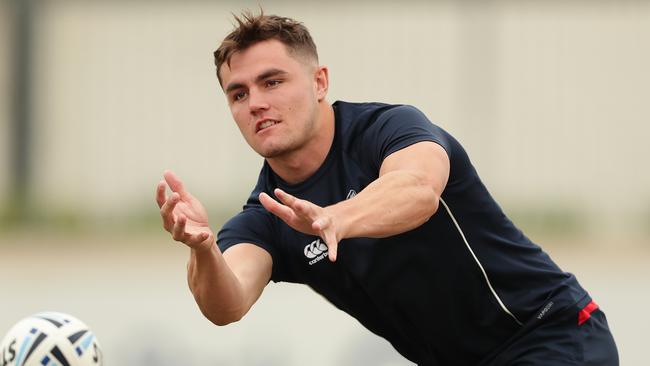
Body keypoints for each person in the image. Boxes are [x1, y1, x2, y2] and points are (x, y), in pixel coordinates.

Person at [156, 11, 618, 366]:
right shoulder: (268, 216)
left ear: (319, 82)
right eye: (238, 94)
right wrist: (202, 248)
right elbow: (227, 303)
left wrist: (335, 218)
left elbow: (417, 189)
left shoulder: (387, 129)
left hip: (549, 333)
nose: (256, 103)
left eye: (272, 82)